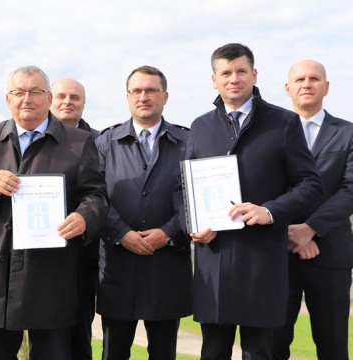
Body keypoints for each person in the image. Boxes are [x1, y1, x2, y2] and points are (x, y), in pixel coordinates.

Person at [0, 66, 108, 359]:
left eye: (36, 92)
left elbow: (96, 195)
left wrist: (84, 216)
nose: (27, 98)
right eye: (19, 92)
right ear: (8, 98)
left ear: (48, 98)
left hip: (51, 272)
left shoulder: (78, 142)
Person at [185, 43, 323, 359]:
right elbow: (184, 189)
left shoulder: (284, 122)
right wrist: (192, 225)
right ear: (214, 80)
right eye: (226, 72)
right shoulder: (200, 126)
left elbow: (310, 184)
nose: (234, 78)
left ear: (254, 74)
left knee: (260, 352)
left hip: (262, 262)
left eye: (241, 71)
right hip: (214, 259)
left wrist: (269, 210)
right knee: (213, 351)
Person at [96, 66, 192, 360]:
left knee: (164, 352)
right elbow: (94, 196)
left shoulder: (188, 142)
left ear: (165, 96)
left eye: (151, 90)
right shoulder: (104, 142)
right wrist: (121, 233)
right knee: (114, 352)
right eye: (136, 91)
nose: (143, 97)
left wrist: (169, 233)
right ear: (127, 97)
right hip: (117, 265)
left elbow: (195, 198)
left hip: (167, 265)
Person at [271, 60, 353, 360]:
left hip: (330, 254)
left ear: (326, 87)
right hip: (278, 253)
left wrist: (310, 229)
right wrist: (289, 233)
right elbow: (262, 189)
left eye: (314, 78)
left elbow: (350, 190)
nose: (307, 84)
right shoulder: (269, 135)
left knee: (333, 346)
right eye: (300, 79)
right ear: (287, 88)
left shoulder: (348, 133)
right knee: (272, 345)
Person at [50, 77, 99, 360]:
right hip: (41, 254)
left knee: (80, 331)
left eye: (75, 97)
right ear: (49, 100)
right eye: (61, 97)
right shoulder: (34, 139)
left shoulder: (100, 140)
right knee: (43, 333)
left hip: (83, 254)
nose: (68, 102)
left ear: (83, 103)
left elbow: (102, 194)